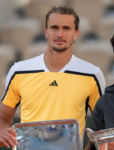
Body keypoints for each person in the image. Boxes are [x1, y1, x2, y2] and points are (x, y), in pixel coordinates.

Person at [0, 6, 106, 149]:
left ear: (76, 33)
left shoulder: (92, 75)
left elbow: (102, 128)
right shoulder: (19, 71)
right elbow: (3, 117)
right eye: (54, 27)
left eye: (66, 28)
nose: (60, 34)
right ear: (46, 31)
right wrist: (3, 133)